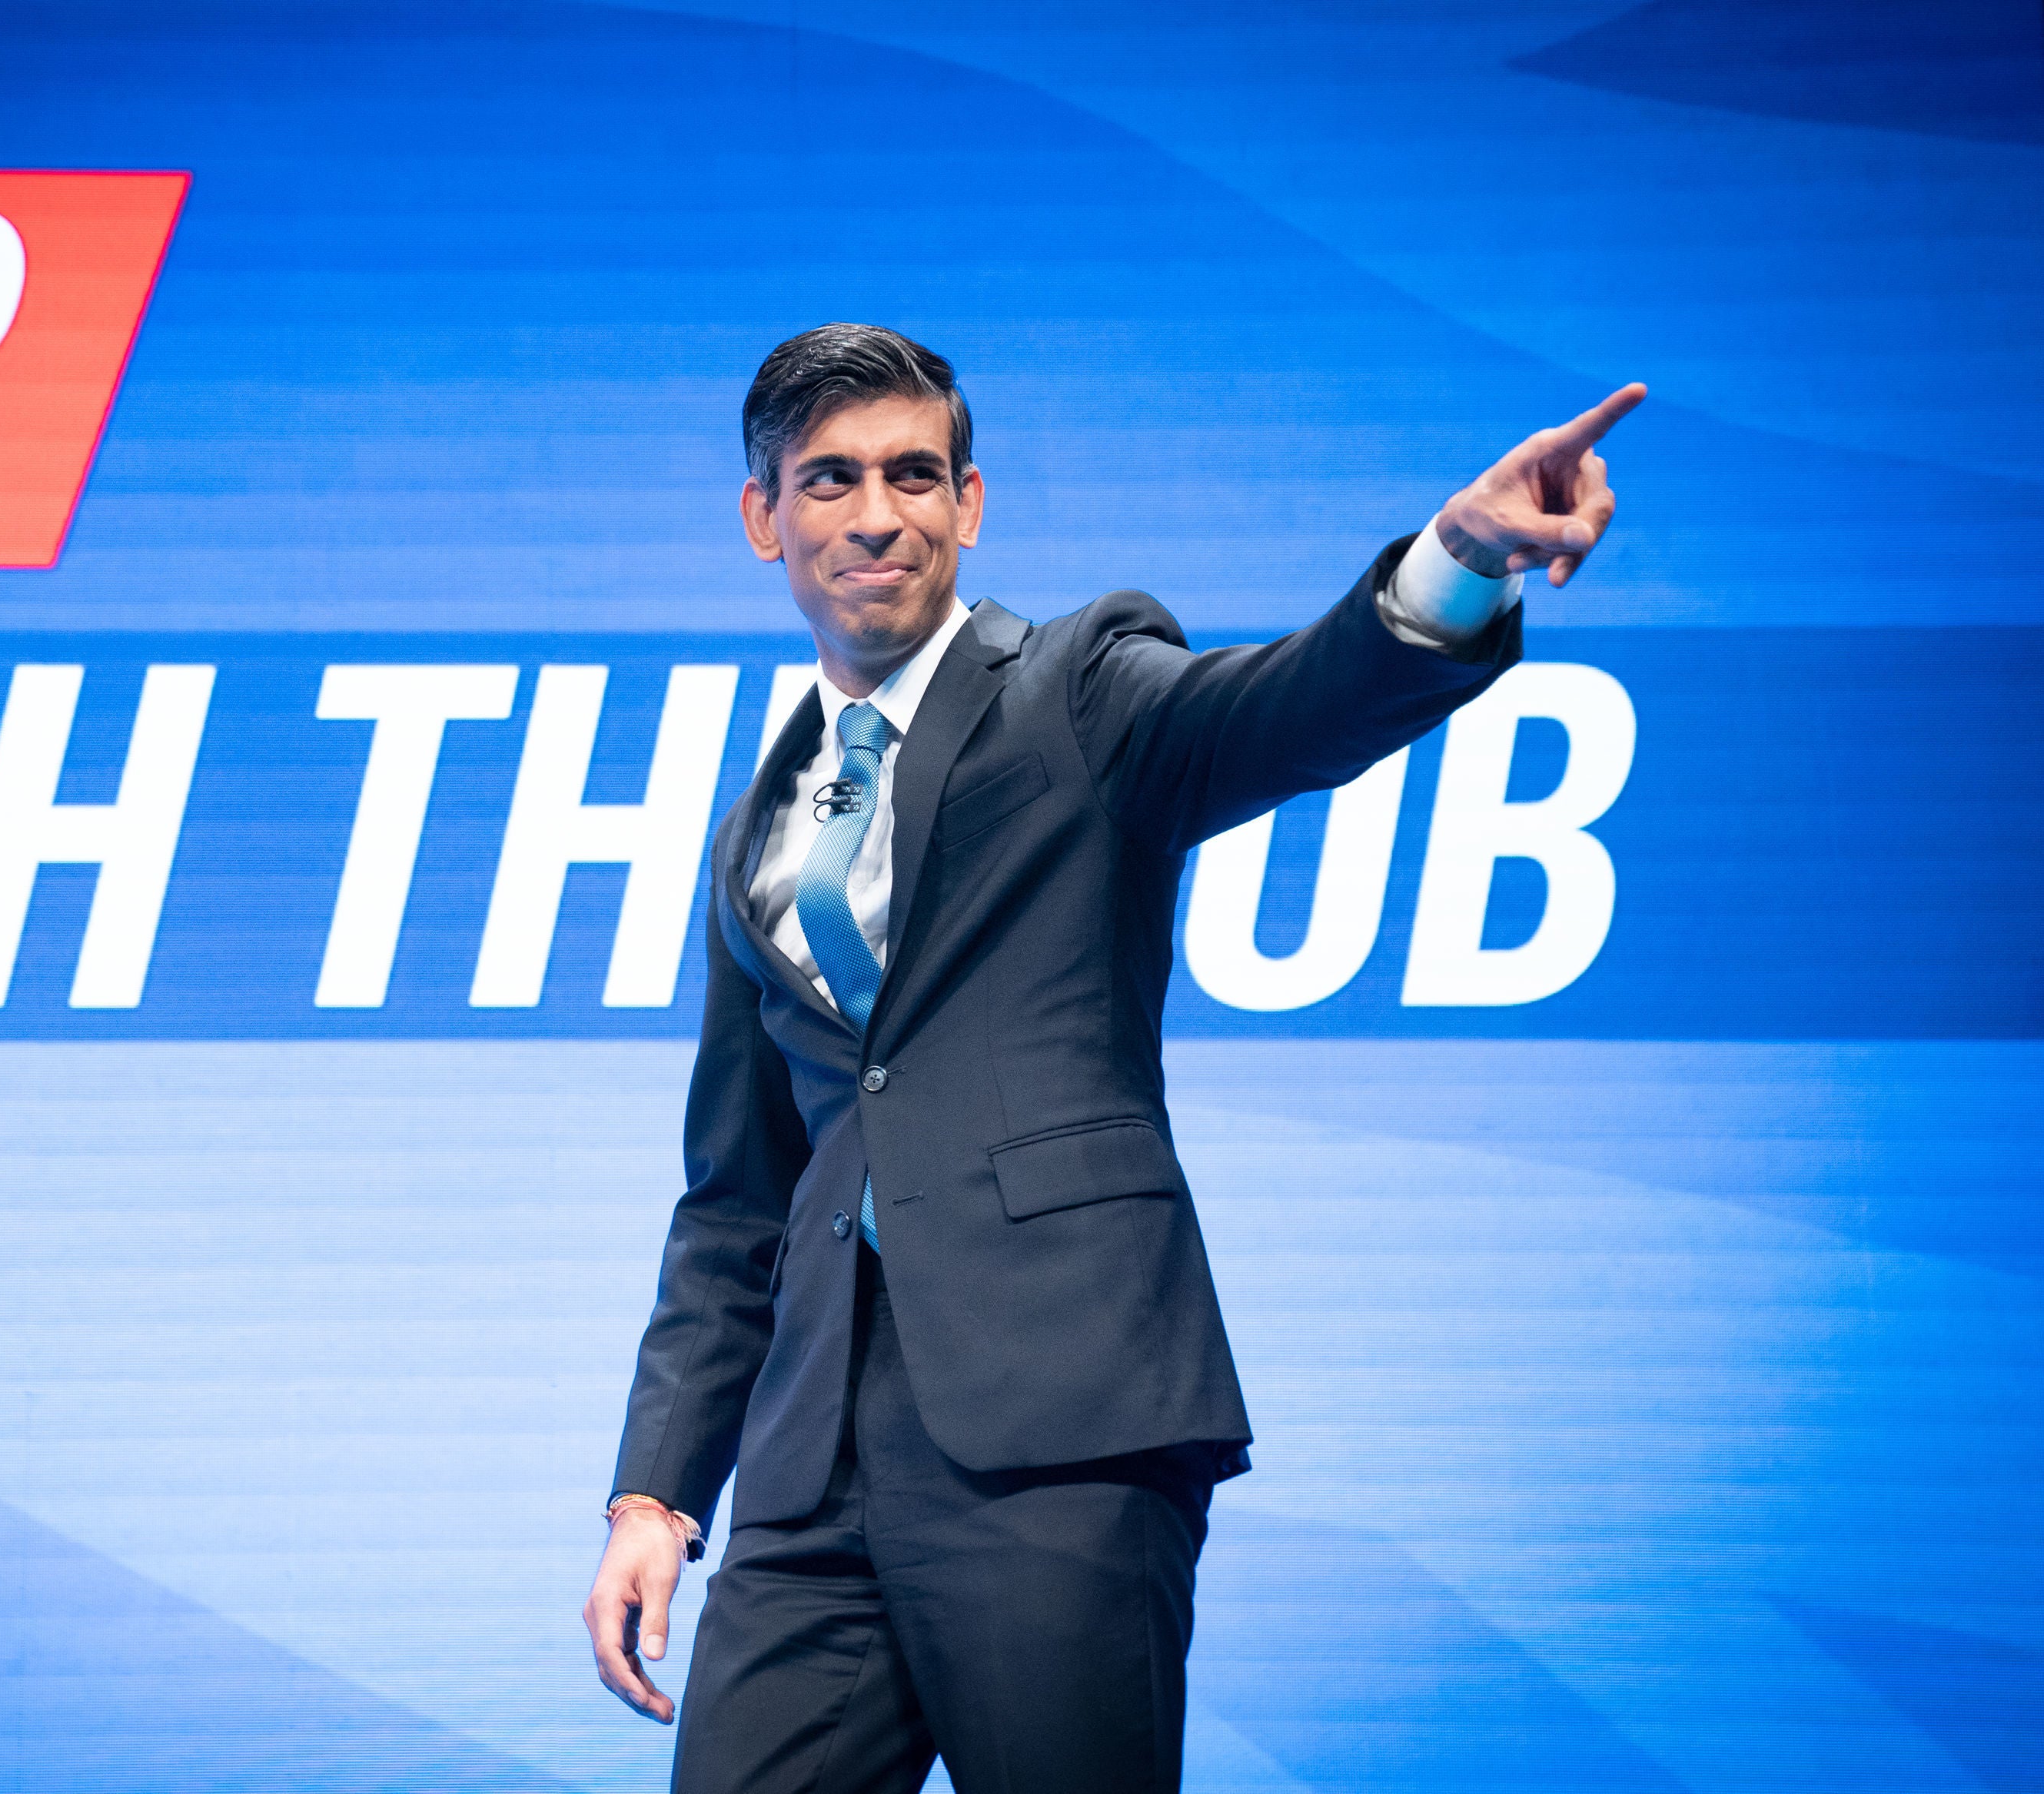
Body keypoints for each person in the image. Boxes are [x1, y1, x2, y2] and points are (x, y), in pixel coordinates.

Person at [581, 322, 1642, 1792]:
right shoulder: (756, 828)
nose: (875, 513)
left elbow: (1279, 707)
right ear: (765, 518)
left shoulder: (1077, 685)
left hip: (1063, 1430)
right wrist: (657, 1492)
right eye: (828, 480)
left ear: (970, 500)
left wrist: (1454, 560)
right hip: (811, 1470)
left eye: (911, 474)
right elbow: (738, 1202)